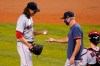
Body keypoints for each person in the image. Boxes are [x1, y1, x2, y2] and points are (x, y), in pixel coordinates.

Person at [16, 2, 47, 66]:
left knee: (24, 64)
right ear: (29, 9)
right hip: (23, 45)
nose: (35, 12)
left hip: (28, 45)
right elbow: (18, 35)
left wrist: (41, 32)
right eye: (34, 11)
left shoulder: (30, 18)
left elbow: (31, 33)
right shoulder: (22, 19)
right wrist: (29, 45)